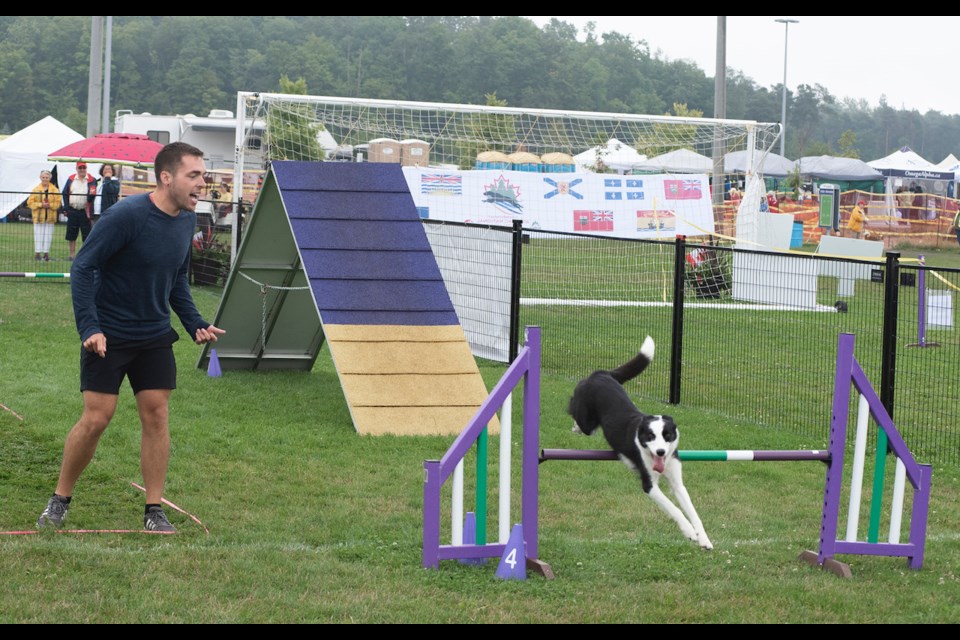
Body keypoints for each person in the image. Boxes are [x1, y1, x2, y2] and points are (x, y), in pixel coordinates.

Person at [37, 142, 226, 533]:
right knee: (97, 418)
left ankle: (153, 510)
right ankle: (60, 499)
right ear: (166, 177)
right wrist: (90, 327)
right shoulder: (127, 215)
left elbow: (175, 278)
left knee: (157, 414)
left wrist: (194, 323)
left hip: (154, 334)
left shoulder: (187, 219)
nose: (202, 183)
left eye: (203, 175)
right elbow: (85, 265)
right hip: (109, 334)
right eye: (194, 176)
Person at [60, 160, 97, 260]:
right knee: (71, 234)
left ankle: (84, 255)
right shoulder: (71, 179)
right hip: (72, 210)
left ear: (86, 168)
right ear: (76, 169)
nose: (82, 170)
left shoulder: (92, 180)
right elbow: (64, 193)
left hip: (85, 211)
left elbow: (93, 194)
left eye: (83, 168)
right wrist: (66, 207)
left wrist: (89, 201)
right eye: (80, 168)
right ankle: (71, 255)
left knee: (86, 234)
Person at [26, 169, 63, 262]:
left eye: (47, 177)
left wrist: (50, 205)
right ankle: (37, 254)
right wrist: (40, 204)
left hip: (50, 217)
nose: (45, 179)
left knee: (48, 236)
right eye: (43, 177)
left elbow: (58, 203)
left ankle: (46, 254)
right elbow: (30, 202)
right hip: (38, 217)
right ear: (40, 178)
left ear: (50, 178)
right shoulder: (36, 189)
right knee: (38, 235)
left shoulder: (55, 190)